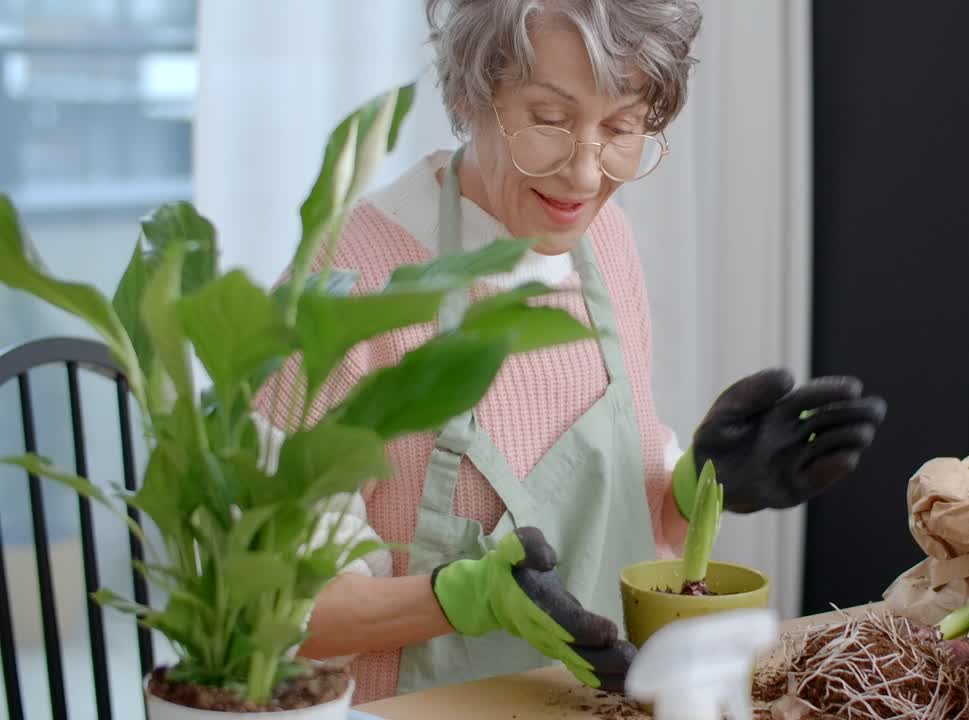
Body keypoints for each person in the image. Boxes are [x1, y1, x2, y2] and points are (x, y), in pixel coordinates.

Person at [254, 0, 887, 706]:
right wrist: (465, 596)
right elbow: (274, 612)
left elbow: (615, 530)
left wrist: (697, 489)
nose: (585, 176)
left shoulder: (603, 245)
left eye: (621, 128)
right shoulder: (345, 284)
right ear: (471, 93)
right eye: (550, 119)